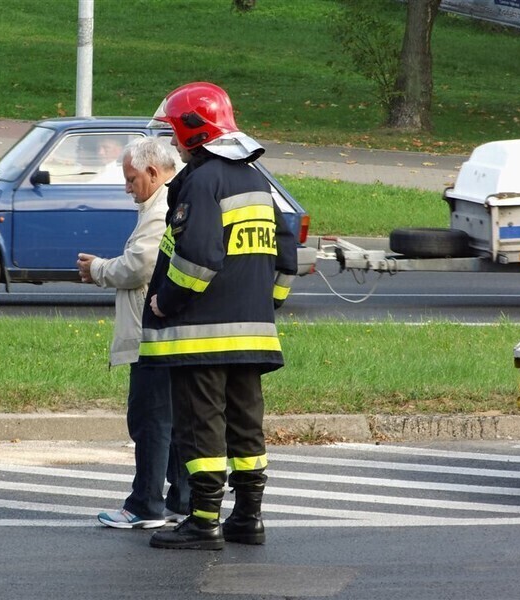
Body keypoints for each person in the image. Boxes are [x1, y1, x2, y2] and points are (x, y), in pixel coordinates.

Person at [140, 82, 298, 550]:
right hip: (253, 337)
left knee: (200, 426)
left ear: (193, 131)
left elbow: (198, 260)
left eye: (174, 133)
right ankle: (248, 518)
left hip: (201, 338)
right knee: (246, 427)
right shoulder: (256, 179)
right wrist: (264, 305)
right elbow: (286, 257)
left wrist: (165, 302)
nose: (172, 143)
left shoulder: (203, 181)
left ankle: (203, 522)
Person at [77, 138, 190, 529]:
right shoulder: (174, 199)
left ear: (154, 173)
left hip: (151, 334)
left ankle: (144, 505)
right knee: (173, 421)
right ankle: (181, 499)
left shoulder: (160, 208)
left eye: (131, 179)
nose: (127, 188)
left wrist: (98, 270)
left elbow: (141, 266)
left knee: (150, 420)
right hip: (174, 332)